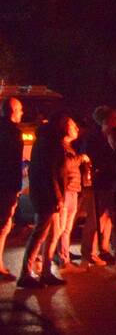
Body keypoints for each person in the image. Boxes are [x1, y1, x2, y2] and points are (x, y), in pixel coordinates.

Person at [18, 113, 71, 288]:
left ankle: (46, 271)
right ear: (60, 125)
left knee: (54, 233)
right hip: (47, 196)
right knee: (40, 233)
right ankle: (26, 273)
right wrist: (57, 196)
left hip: (48, 194)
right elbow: (50, 172)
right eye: (67, 123)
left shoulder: (48, 140)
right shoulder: (51, 143)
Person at [80, 106, 116, 266]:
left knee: (106, 218)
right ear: (105, 121)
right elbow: (90, 160)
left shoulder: (110, 137)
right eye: (114, 119)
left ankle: (103, 249)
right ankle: (89, 252)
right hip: (98, 183)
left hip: (110, 182)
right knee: (96, 219)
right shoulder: (94, 139)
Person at [55, 117, 87, 268]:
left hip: (73, 189)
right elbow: (66, 164)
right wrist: (81, 158)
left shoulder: (68, 146)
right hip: (66, 190)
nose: (77, 129)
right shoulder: (60, 146)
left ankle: (64, 255)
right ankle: (62, 257)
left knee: (67, 228)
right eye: (73, 126)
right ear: (65, 129)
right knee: (62, 227)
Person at [0, 97, 24, 281]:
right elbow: (12, 162)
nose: (22, 113)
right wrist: (16, 186)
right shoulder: (13, 132)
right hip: (6, 185)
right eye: (20, 110)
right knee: (3, 224)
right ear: (13, 111)